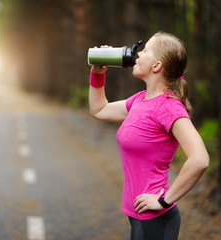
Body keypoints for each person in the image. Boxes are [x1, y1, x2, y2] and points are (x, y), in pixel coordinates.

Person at [88, 32, 209, 240]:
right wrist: (97, 72)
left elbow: (200, 159)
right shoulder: (140, 100)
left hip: (156, 218)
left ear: (157, 66)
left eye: (145, 51)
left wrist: (164, 200)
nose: (138, 54)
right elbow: (99, 109)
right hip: (138, 215)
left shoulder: (169, 107)